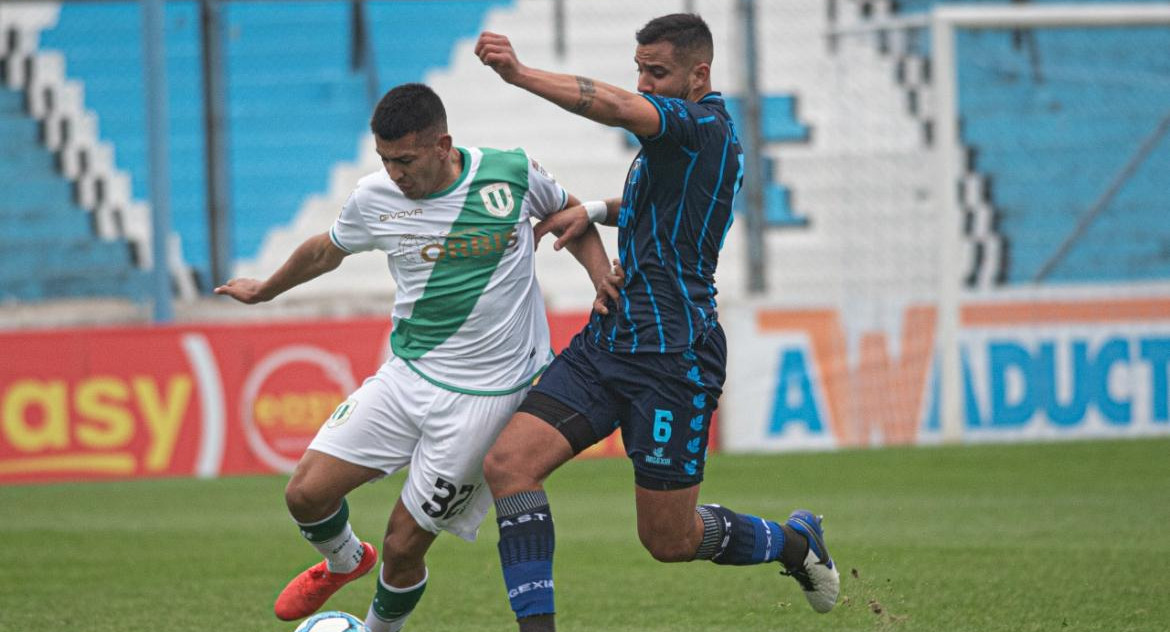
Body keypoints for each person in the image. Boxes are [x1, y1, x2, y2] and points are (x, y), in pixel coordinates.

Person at [474, 13, 839, 631]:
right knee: (508, 465)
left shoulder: (701, 127)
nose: (643, 83)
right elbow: (657, 206)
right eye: (639, 69)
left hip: (674, 358)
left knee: (668, 539)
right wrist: (592, 209)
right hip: (610, 341)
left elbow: (614, 106)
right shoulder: (676, 145)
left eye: (658, 72)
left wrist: (520, 74)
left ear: (700, 75)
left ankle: (794, 543)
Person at [215, 83, 616, 632]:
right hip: (407, 377)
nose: (395, 174)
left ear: (442, 144)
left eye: (404, 160)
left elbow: (572, 214)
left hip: (486, 402)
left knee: (404, 545)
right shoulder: (374, 198)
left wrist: (602, 278)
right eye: (385, 160)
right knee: (305, 494)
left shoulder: (510, 174)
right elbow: (324, 251)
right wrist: (265, 290)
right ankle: (344, 561)